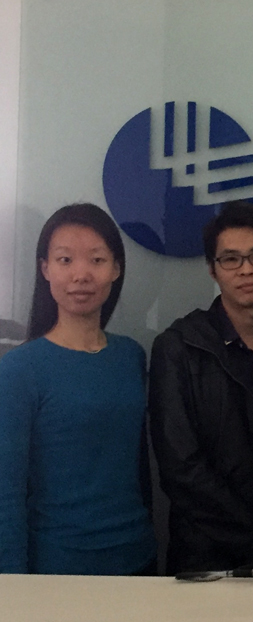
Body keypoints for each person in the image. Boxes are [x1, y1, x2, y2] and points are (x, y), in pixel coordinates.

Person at [149, 200, 253, 574]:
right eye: (231, 259)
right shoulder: (179, 347)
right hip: (205, 557)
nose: (247, 270)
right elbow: (180, 468)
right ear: (212, 269)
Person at [0, 203, 156, 575]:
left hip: (138, 560)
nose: (81, 275)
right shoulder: (19, 369)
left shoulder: (130, 356)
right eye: (65, 260)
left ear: (116, 268)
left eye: (97, 260)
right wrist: (12, 586)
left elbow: (138, 470)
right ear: (45, 269)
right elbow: (6, 494)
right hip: (58, 569)